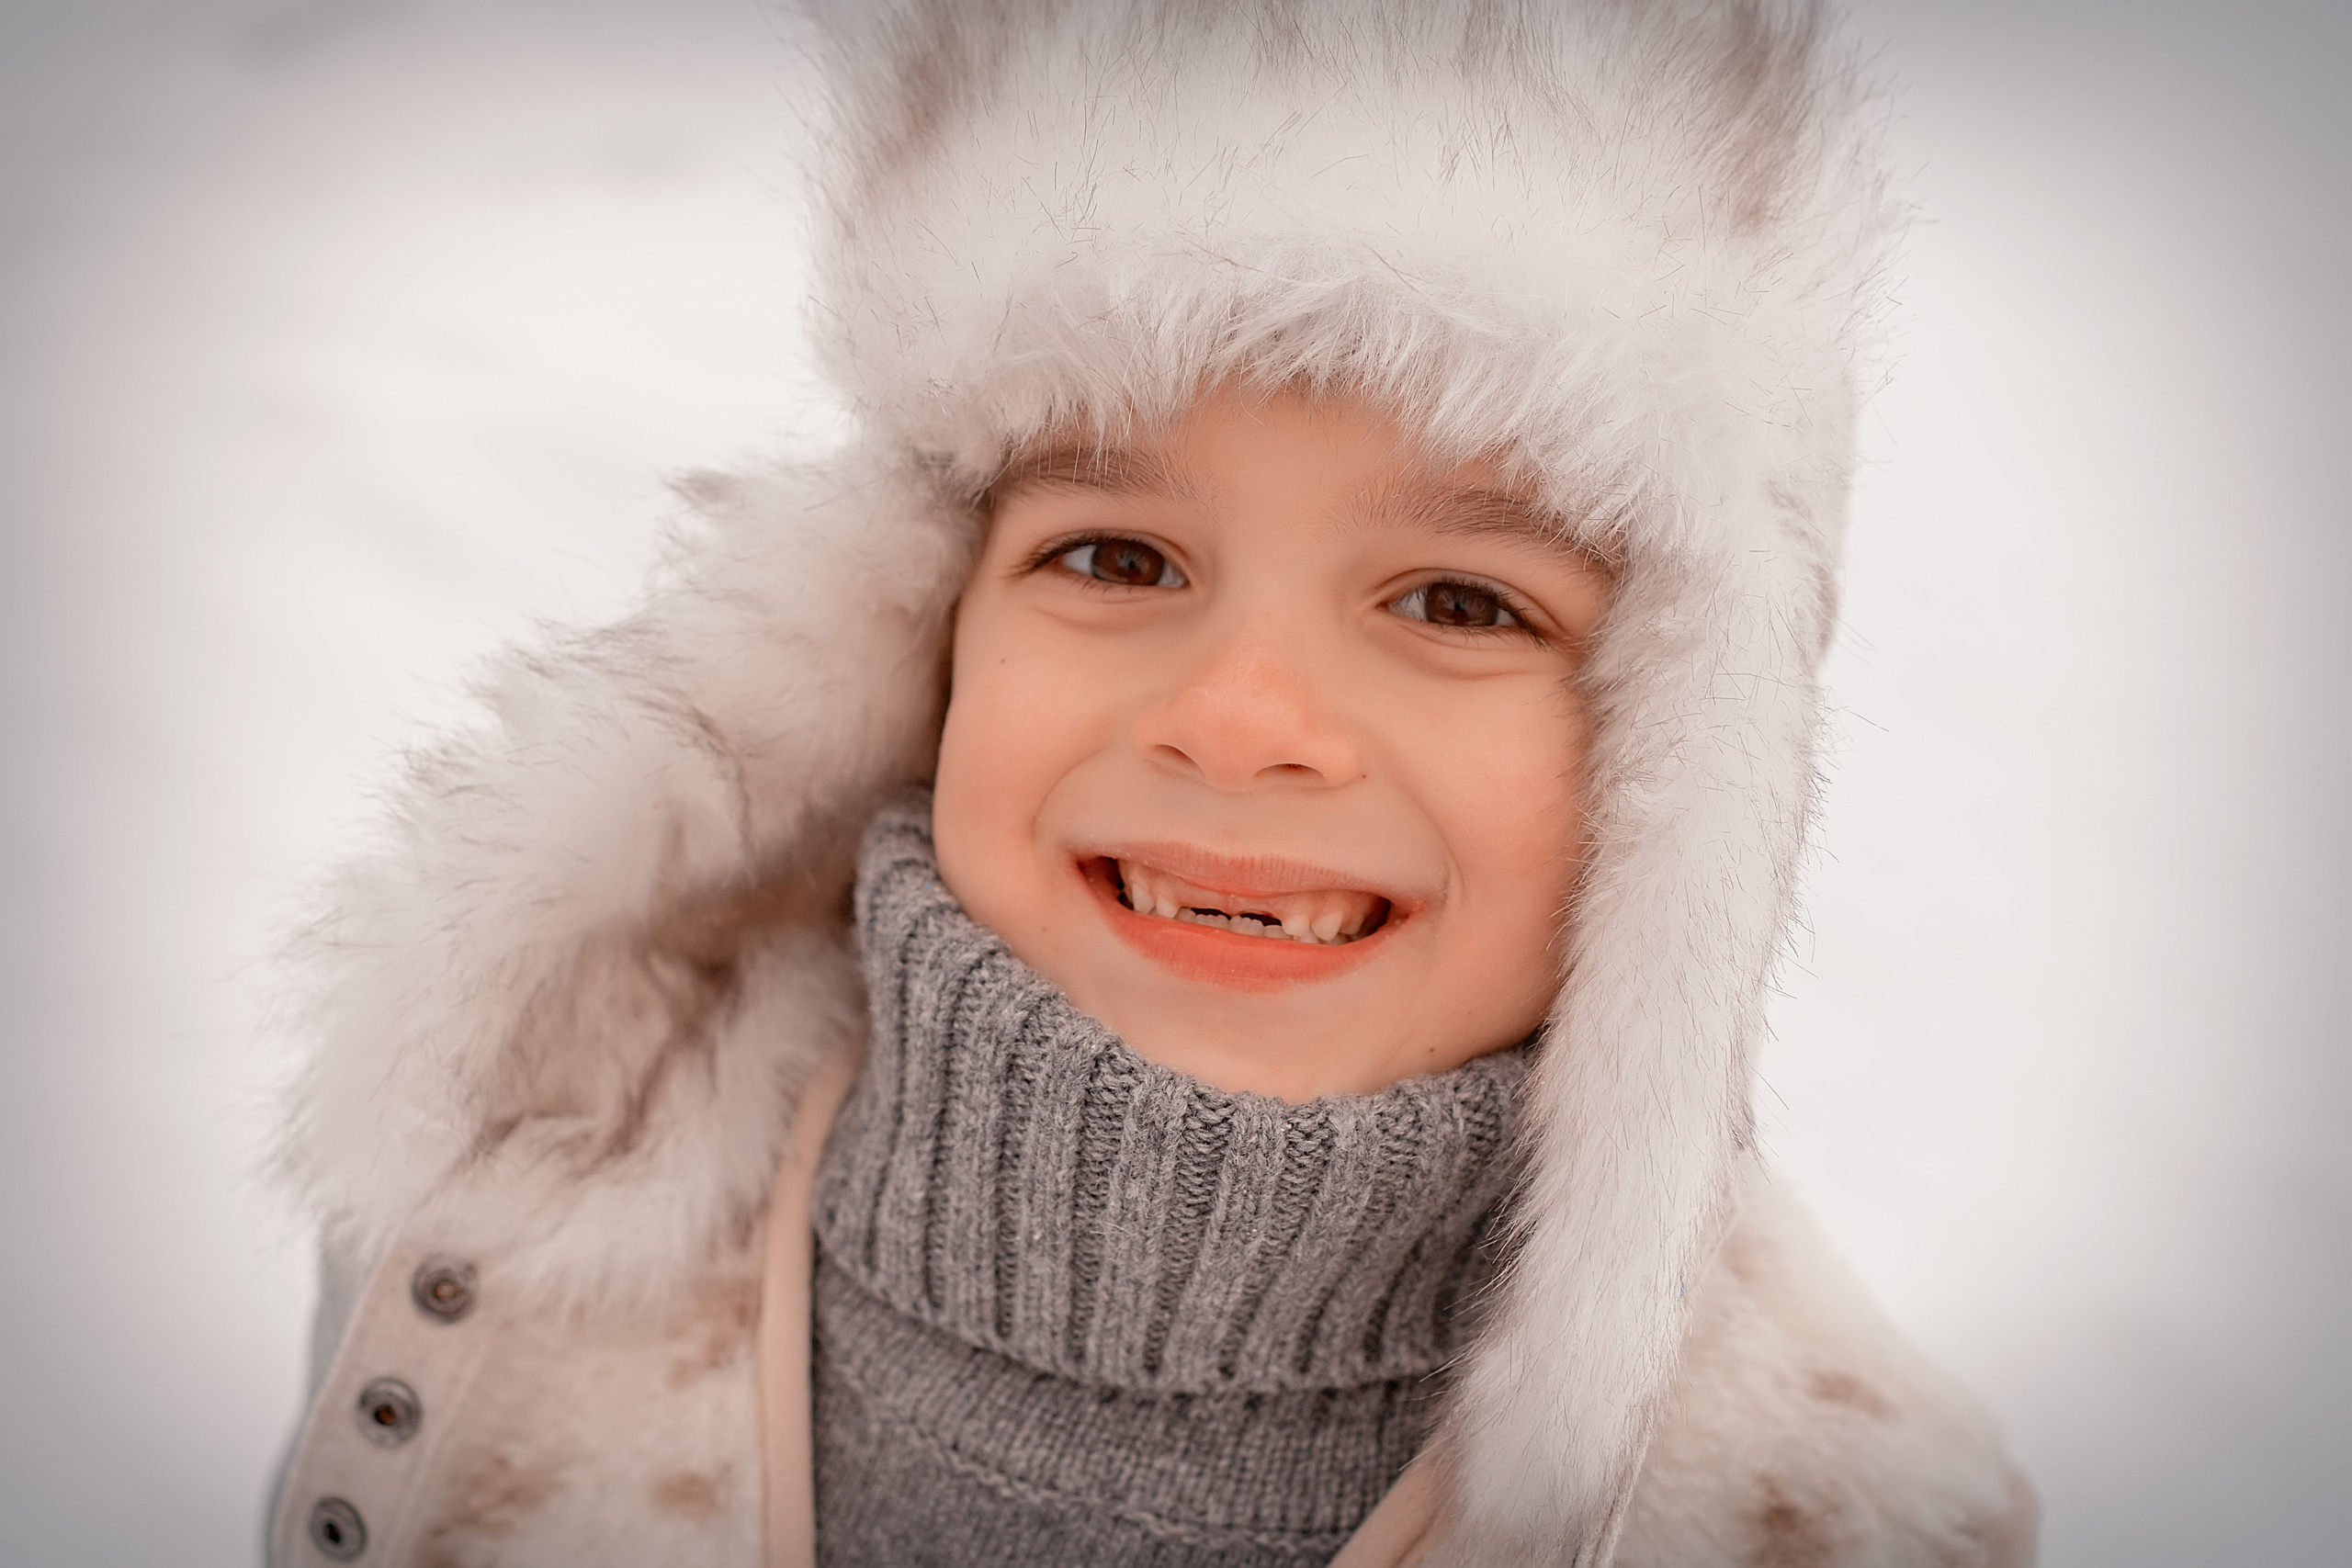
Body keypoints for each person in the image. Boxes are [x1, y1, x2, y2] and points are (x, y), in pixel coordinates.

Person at [266, 2, 2038, 1563]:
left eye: (1458, 601)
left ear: (1686, 778)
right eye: (1118, 559)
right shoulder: (515, 1241)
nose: (1244, 717)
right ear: (922, 632)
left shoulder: (1822, 1522)